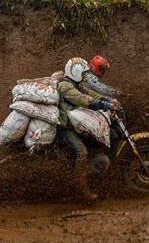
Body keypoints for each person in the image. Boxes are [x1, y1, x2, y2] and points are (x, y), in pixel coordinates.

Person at [56, 57, 120, 201]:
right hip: (65, 129)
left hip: (76, 126)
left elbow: (91, 94)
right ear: (76, 72)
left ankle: (93, 173)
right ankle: (80, 187)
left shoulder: (78, 84)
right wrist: (102, 105)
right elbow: (82, 99)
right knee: (81, 151)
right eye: (83, 73)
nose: (85, 76)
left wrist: (108, 100)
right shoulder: (65, 86)